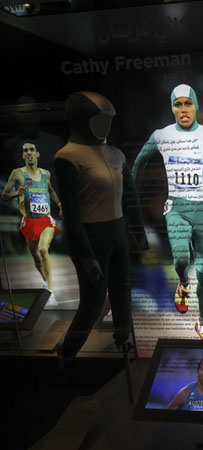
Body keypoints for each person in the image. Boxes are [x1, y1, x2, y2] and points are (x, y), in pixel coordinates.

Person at [132, 84, 203, 340]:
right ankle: (183, 283)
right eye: (177, 104)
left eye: (188, 103)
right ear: (172, 108)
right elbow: (139, 161)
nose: (183, 109)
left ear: (196, 106)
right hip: (177, 208)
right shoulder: (162, 135)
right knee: (180, 259)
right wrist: (130, 192)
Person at [54, 92, 147, 368]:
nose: (105, 126)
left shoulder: (115, 154)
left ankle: (123, 340)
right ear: (81, 120)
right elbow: (71, 213)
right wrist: (85, 253)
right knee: (93, 300)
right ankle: (67, 353)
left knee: (122, 290)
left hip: (116, 232)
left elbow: (130, 197)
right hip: (91, 236)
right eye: (99, 120)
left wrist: (139, 233)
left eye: (108, 120)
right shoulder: (67, 156)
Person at [2, 142, 62, 304]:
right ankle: (44, 280)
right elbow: (4, 196)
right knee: (36, 259)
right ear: (23, 155)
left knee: (43, 250)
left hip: (46, 220)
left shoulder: (46, 174)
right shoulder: (17, 174)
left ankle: (50, 291)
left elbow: (51, 190)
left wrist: (59, 204)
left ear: (37, 154)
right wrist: (16, 194)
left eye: (32, 150)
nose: (29, 152)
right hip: (29, 221)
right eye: (25, 151)